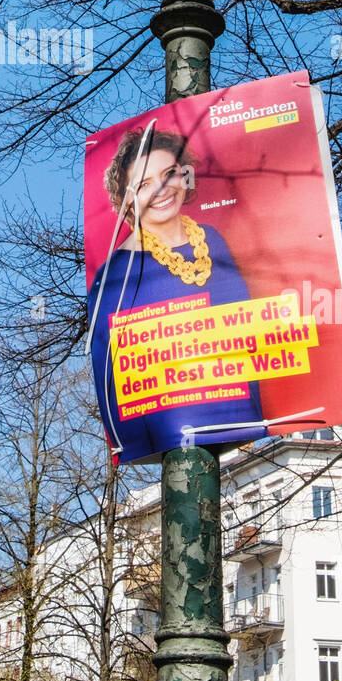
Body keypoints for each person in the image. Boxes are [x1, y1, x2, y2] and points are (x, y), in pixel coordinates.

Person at [88, 125, 265, 461]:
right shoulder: (114, 277)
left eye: (169, 174)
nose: (161, 190)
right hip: (172, 439)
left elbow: (248, 339)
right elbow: (113, 386)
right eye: (143, 185)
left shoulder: (212, 239)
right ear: (127, 202)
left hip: (241, 428)